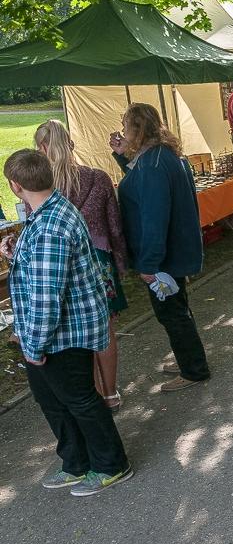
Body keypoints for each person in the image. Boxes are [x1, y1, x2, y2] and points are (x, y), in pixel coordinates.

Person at [2, 149, 133, 496]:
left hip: (61, 334)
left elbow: (47, 296)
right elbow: (47, 269)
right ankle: (76, 462)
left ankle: (111, 464)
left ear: (16, 186)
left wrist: (34, 345)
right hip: (52, 332)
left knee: (80, 400)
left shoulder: (50, 226)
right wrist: (17, 253)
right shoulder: (49, 212)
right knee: (53, 400)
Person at [110, 103, 211, 392]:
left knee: (172, 313)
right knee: (177, 308)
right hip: (173, 250)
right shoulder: (161, 154)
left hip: (163, 254)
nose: (123, 131)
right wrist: (121, 156)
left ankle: (194, 369)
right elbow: (139, 180)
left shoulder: (155, 162)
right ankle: (188, 359)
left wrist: (149, 264)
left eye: (126, 125)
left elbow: (154, 217)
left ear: (137, 129)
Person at [35, 120, 129, 412]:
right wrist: (121, 261)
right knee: (105, 330)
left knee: (78, 334)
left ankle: (94, 394)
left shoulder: (40, 187)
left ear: (41, 148)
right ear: (71, 143)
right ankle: (110, 393)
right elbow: (115, 226)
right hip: (99, 264)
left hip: (62, 267)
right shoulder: (98, 178)